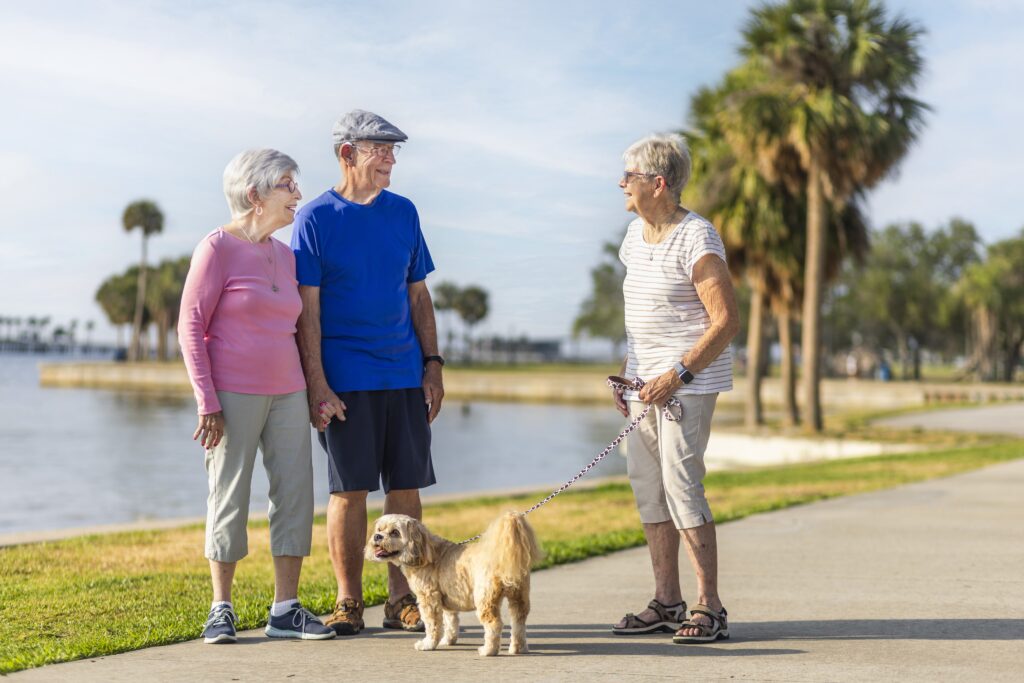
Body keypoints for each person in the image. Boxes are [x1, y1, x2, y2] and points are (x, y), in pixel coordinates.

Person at [291, 110, 444, 636]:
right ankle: (348, 601)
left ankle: (401, 598)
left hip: (404, 374)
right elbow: (306, 309)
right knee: (348, 490)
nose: (391, 159)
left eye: (393, 150)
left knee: (405, 488)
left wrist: (433, 365)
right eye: (380, 149)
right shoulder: (313, 219)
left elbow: (419, 296)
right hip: (345, 381)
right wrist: (317, 381)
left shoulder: (404, 213)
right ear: (346, 154)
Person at [178, 149, 335, 644]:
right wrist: (207, 400)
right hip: (231, 392)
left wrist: (315, 392)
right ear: (255, 195)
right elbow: (190, 326)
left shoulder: (286, 256)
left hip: (288, 391)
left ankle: (285, 609)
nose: (297, 195)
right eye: (287, 185)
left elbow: (298, 329)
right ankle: (220, 608)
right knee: (229, 496)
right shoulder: (217, 248)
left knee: (293, 495)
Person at [609, 134, 740, 644]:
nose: (622, 184)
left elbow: (726, 321)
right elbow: (641, 315)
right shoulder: (631, 235)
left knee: (682, 487)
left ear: (658, 184)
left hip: (686, 384)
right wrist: (629, 370)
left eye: (630, 176)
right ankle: (667, 601)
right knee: (649, 490)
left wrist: (677, 375)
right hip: (644, 385)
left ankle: (711, 606)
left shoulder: (697, 237)